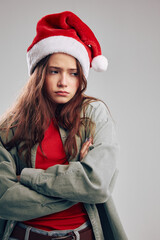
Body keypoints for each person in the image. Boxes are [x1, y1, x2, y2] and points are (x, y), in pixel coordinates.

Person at [0, 11, 127, 240]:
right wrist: (76, 185)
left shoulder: (94, 115)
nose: (63, 82)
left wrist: (29, 177)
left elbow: (97, 183)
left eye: (73, 73)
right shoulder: (10, 126)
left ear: (81, 78)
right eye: (54, 71)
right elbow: (4, 200)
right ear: (40, 74)